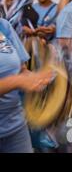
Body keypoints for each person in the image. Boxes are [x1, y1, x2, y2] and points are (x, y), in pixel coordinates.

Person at [0, 18, 53, 153]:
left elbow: (21, 69)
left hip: (15, 125)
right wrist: (17, 81)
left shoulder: (3, 25)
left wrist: (40, 80)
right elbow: (18, 79)